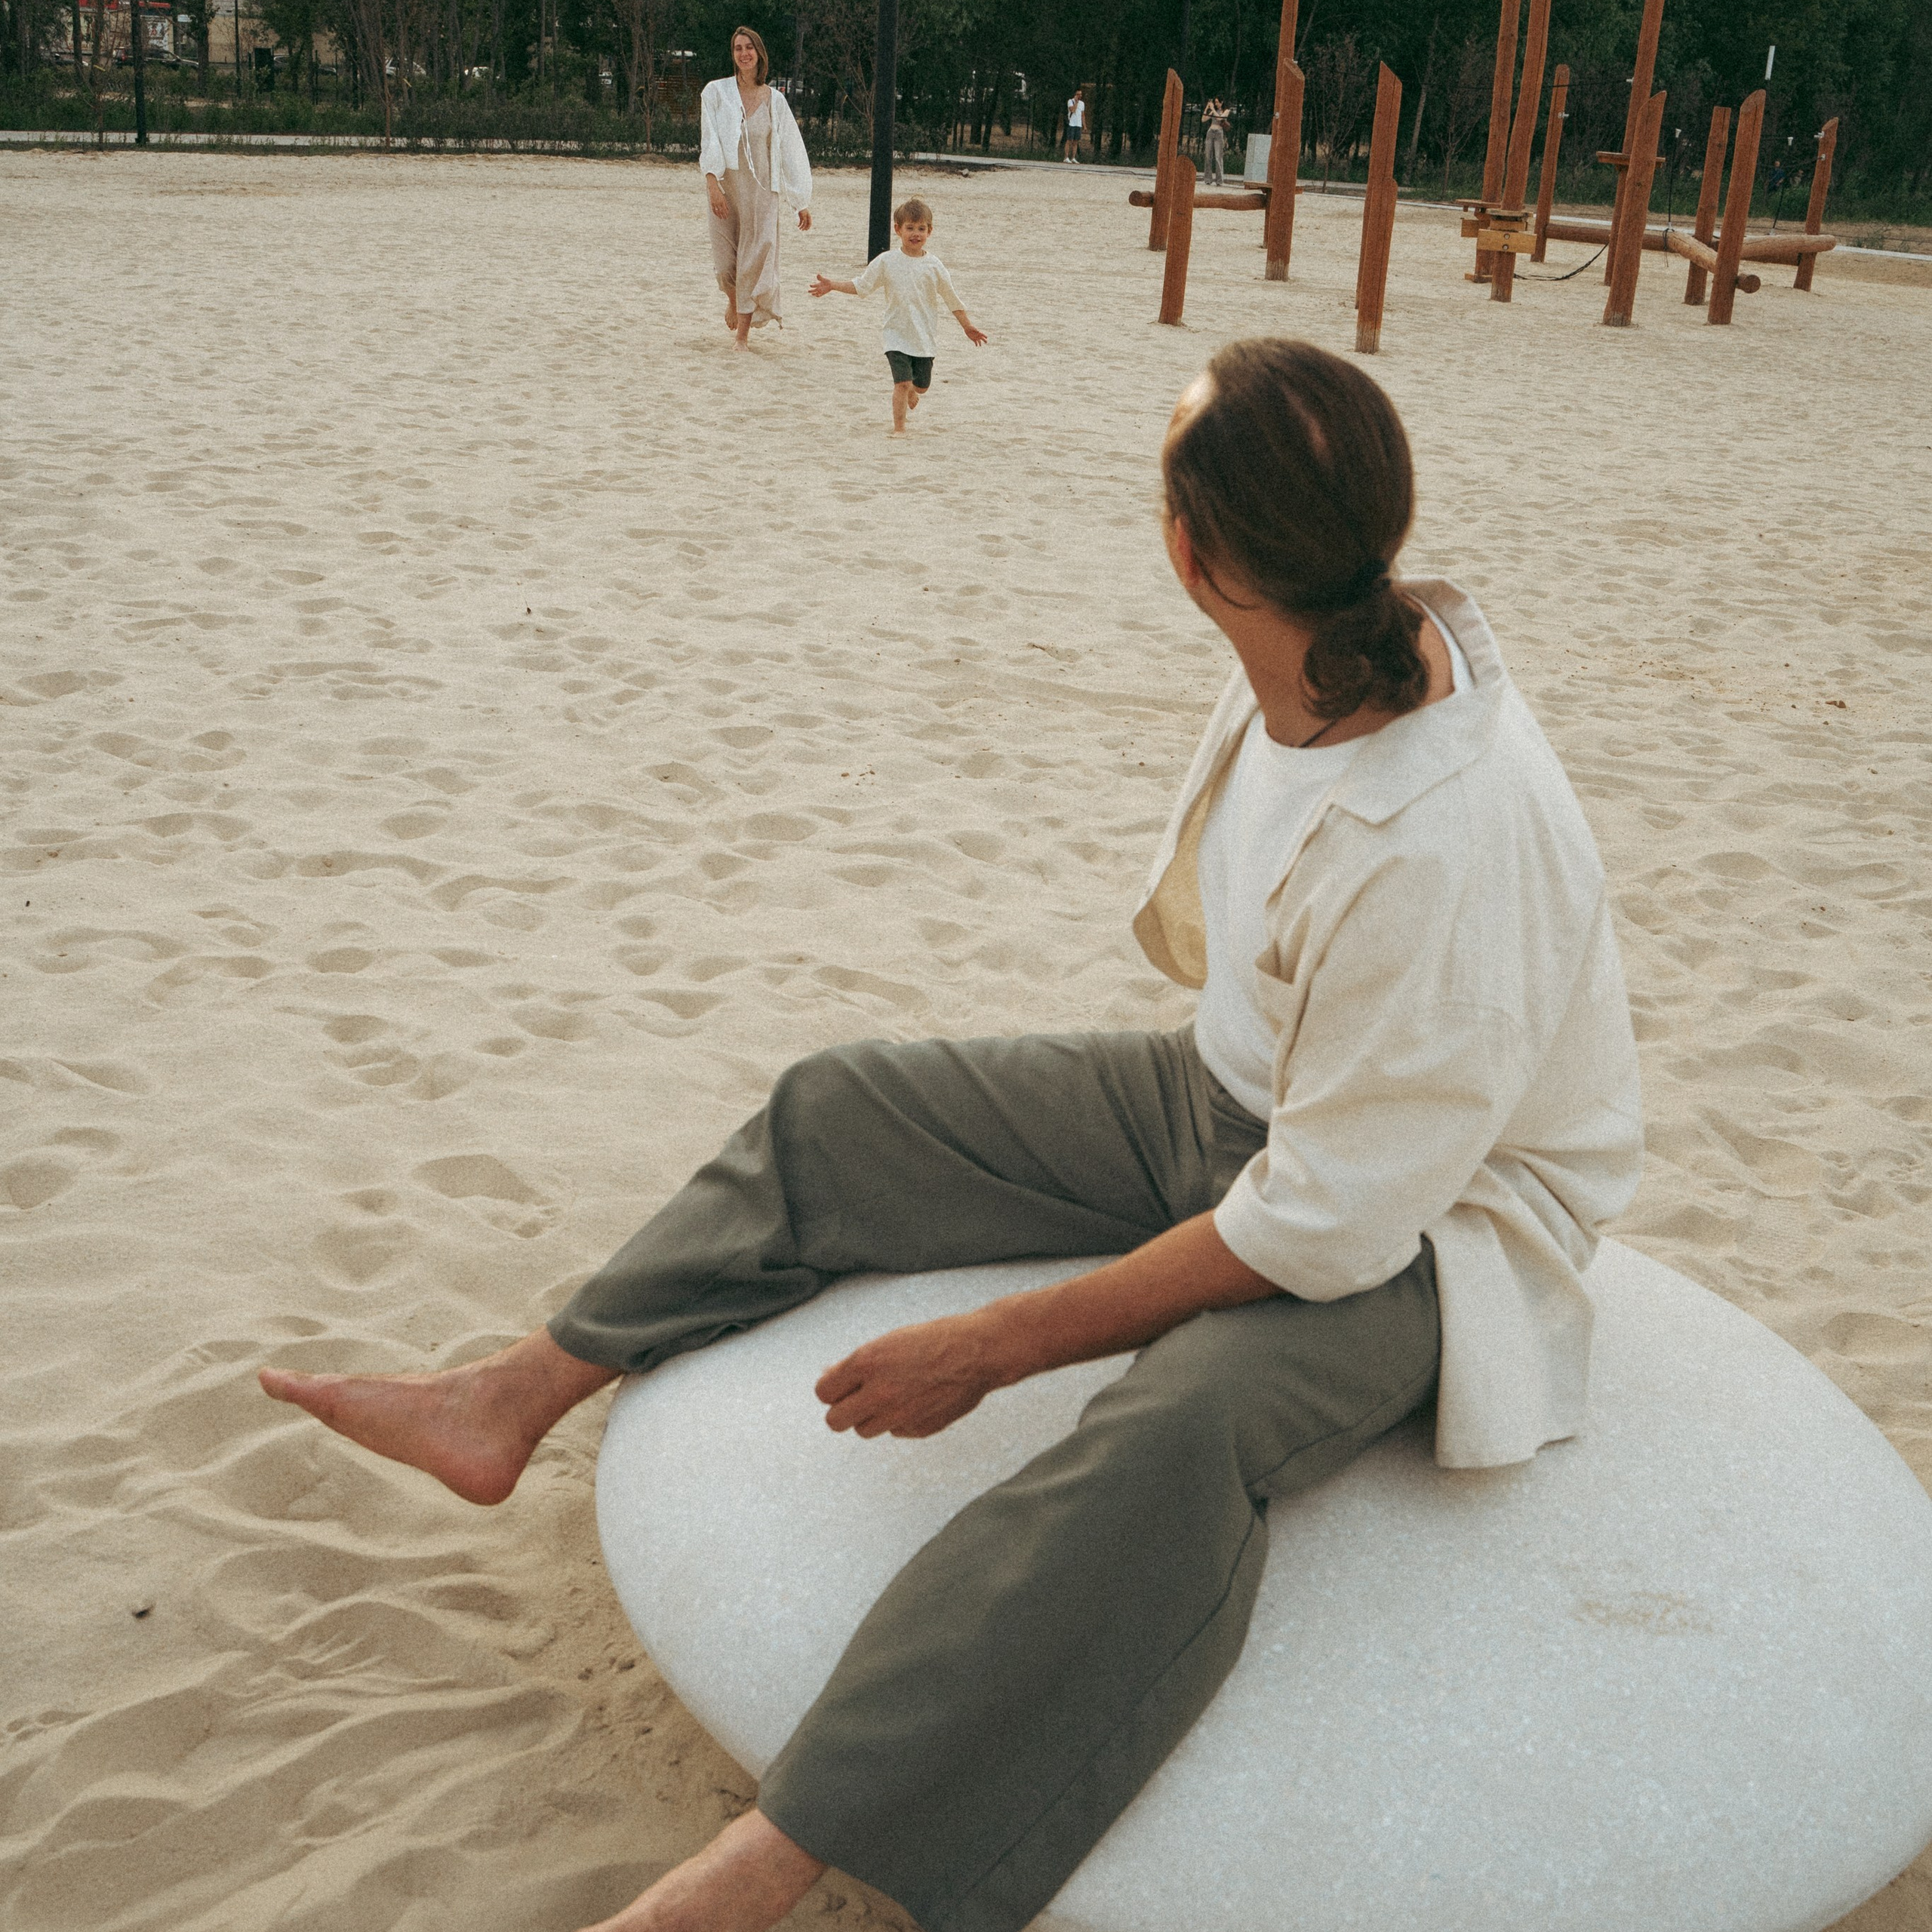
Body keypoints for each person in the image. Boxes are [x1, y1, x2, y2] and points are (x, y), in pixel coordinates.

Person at [259, 338, 1643, 1932]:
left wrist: (996, 1340)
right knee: (844, 1107)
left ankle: (750, 1876)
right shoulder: (1326, 632)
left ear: (1191, 555)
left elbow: (1329, 1229)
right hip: (1242, 1100)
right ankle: (510, 1392)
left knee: (1169, 1438)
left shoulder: (1441, 839)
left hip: (1444, 1222)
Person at [809, 198, 988, 435]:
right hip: (895, 335)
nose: (916, 234)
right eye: (910, 228)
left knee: (921, 386)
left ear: (930, 231)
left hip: (924, 337)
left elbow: (952, 299)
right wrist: (832, 285)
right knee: (901, 384)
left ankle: (913, 390)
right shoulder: (887, 261)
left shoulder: (935, 266)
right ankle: (899, 429)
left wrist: (967, 326)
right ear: (898, 229)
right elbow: (862, 286)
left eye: (921, 229)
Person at [700, 26, 812, 350]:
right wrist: (712, 185)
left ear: (759, 53)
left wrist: (799, 200)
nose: (744, 53)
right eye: (738, 48)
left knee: (753, 261)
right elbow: (709, 141)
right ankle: (734, 299)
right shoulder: (715, 93)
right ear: (733, 54)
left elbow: (791, 150)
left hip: (763, 194)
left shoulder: (775, 100)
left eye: (750, 47)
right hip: (727, 189)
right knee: (725, 265)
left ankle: (742, 338)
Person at [1201, 96, 1232, 186]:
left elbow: (1220, 118)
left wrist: (1213, 110)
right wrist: (1207, 108)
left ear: (1222, 102)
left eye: (1217, 102)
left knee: (1218, 157)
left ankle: (1219, 180)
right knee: (1208, 156)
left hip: (1219, 133)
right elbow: (1203, 120)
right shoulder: (1212, 110)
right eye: (1215, 102)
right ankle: (1208, 179)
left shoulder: (1226, 111)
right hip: (1211, 132)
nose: (1216, 104)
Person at [1063, 85, 1085, 162]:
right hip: (1071, 124)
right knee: (1069, 140)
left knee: (1076, 141)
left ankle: (1073, 157)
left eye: (1081, 94)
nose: (1080, 96)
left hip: (1078, 124)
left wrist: (1084, 125)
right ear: (1075, 95)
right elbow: (1072, 110)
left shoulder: (1082, 104)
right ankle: (1066, 157)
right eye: (1078, 94)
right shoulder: (1070, 101)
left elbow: (1083, 115)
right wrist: (1076, 102)